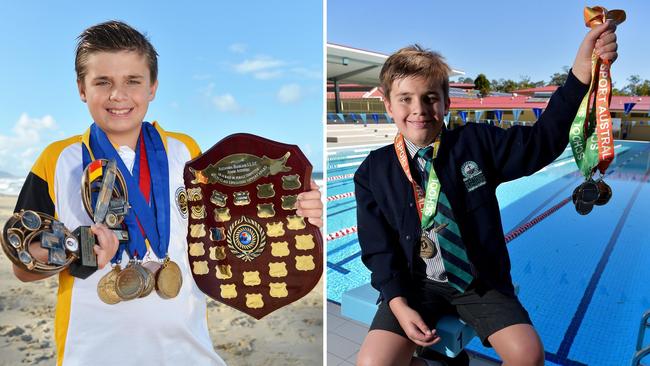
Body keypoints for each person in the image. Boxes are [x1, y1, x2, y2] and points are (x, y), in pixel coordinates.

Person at [11, 20, 323, 365]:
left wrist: (296, 212)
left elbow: (227, 232)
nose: (118, 95)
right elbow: (23, 268)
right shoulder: (56, 160)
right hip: (90, 353)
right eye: (103, 82)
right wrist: (77, 246)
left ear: (153, 87)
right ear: (82, 89)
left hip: (188, 352)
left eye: (133, 81)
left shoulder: (186, 152)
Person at [354, 21, 618, 366]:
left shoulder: (476, 144)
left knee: (528, 355)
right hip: (413, 284)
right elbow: (378, 248)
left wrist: (581, 72)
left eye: (430, 98)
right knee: (372, 364)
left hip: (478, 283)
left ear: (446, 102)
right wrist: (399, 305)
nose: (419, 109)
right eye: (405, 99)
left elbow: (541, 142)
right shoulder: (373, 172)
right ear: (388, 105)